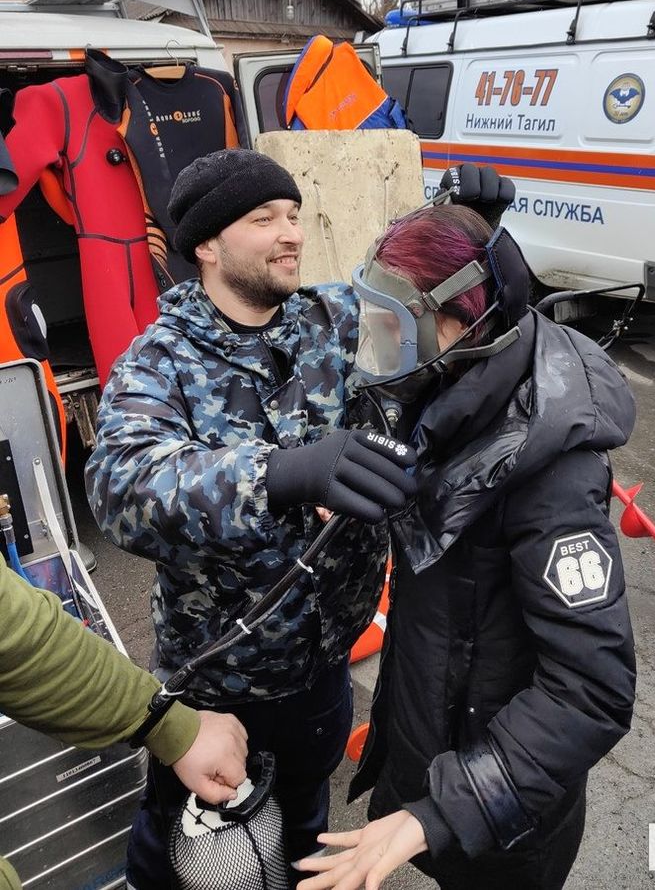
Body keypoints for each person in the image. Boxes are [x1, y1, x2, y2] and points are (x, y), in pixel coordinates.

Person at [84, 148, 428, 890]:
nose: (292, 232)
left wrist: (470, 237)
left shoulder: (337, 318)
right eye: (264, 218)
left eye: (296, 215)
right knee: (193, 853)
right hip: (220, 689)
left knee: (302, 825)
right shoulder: (159, 361)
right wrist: (279, 473)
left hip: (323, 668)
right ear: (207, 245)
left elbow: (436, 321)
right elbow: (121, 487)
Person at [296, 204, 637, 890]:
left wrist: (448, 809)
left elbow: (591, 689)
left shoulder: (553, 474)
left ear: (463, 324)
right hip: (436, 749)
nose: (380, 352)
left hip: (506, 815)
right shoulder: (446, 387)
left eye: (394, 329)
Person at [0, 552, 248, 890]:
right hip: (205, 676)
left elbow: (15, 635)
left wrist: (169, 726)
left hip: (311, 678)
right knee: (167, 840)